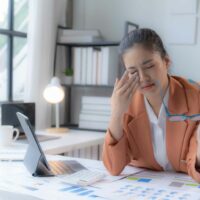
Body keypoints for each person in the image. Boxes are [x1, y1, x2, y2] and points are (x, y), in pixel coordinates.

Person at [102, 28, 200, 183]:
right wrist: (116, 113)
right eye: (133, 72)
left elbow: (196, 167)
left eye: (149, 66)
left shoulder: (195, 98)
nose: (143, 78)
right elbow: (114, 167)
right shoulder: (126, 104)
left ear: (166, 61)